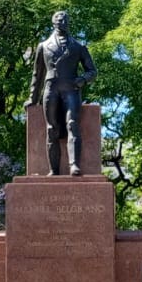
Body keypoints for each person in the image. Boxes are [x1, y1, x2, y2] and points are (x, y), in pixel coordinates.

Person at [28, 10, 97, 176]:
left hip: (71, 89)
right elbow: (37, 74)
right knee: (51, 129)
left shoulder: (78, 46)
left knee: (72, 123)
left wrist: (83, 79)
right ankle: (54, 170)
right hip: (51, 89)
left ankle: (74, 165)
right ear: (54, 23)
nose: (63, 23)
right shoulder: (43, 46)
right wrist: (33, 98)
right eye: (59, 21)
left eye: (65, 21)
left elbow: (92, 71)